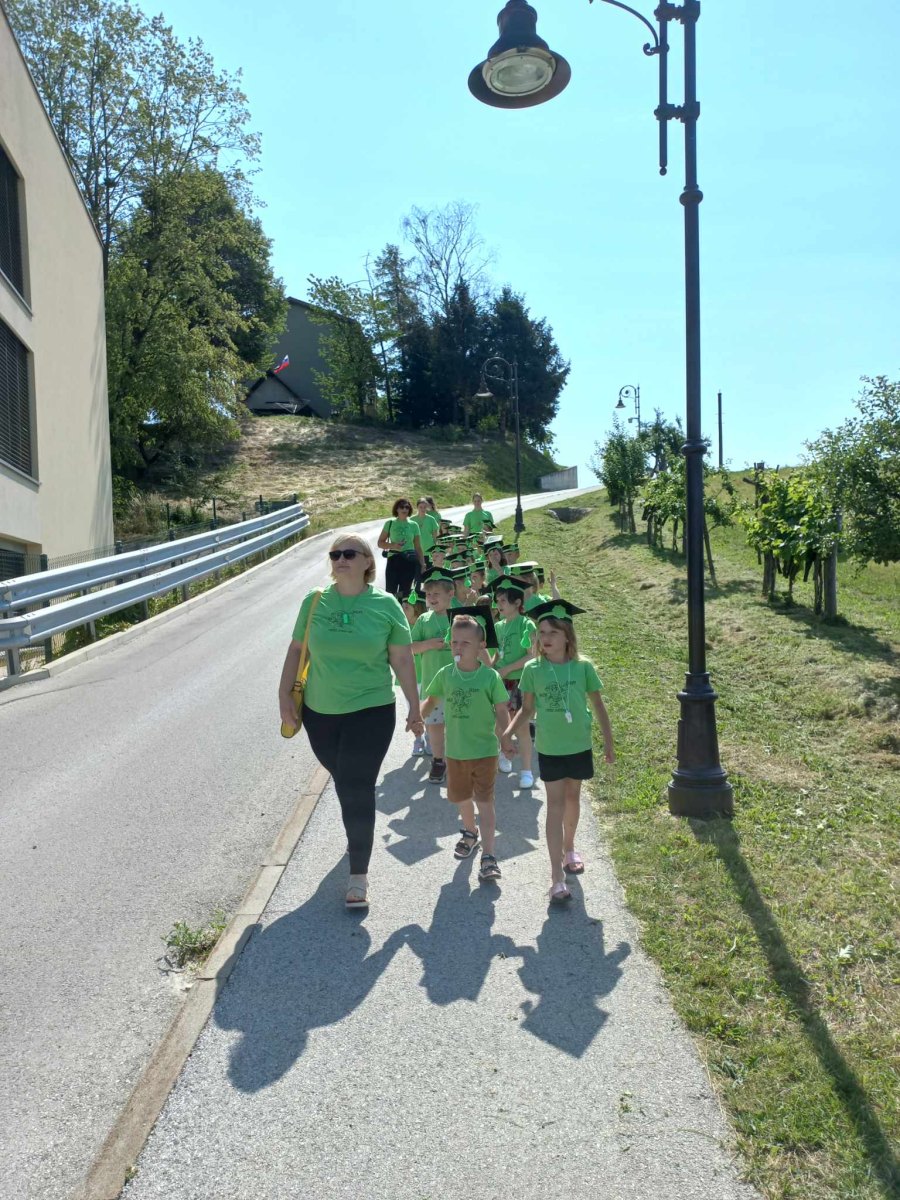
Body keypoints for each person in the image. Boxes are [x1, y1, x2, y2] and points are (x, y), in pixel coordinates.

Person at [278, 534, 423, 909]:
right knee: (345, 780)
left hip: (371, 710)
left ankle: (358, 873)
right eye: (334, 554)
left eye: (348, 553)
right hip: (319, 713)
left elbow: (402, 659)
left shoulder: (385, 605)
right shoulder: (315, 601)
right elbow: (297, 649)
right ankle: (358, 832)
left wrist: (414, 704)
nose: (340, 559)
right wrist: (283, 697)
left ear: (367, 562)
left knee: (356, 786)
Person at [507, 599, 614, 903]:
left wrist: (608, 741)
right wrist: (507, 733)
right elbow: (527, 709)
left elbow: (598, 705)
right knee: (555, 804)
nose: (546, 638)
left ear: (568, 636)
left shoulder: (583, 667)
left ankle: (570, 848)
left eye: (553, 632)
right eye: (542, 632)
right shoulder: (533, 669)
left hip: (578, 745)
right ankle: (557, 875)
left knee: (572, 797)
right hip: (550, 747)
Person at [421, 611, 509, 884]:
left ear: (481, 646)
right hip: (456, 752)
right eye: (454, 642)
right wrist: (417, 717)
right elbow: (431, 700)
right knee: (461, 798)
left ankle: (489, 856)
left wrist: (506, 738)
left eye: (465, 643)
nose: (458, 648)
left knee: (485, 801)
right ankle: (470, 832)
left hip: (485, 752)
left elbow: (501, 710)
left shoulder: (489, 677)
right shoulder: (445, 674)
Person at [489, 576, 537, 787]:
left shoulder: (526, 624)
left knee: (522, 727)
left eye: (503, 601)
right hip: (501, 682)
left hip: (520, 682)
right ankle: (504, 754)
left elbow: (532, 655)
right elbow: (496, 655)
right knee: (500, 724)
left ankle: (526, 771)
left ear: (517, 603)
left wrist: (508, 669)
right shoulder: (498, 626)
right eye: (497, 601)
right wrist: (490, 668)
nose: (498, 605)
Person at [410, 568, 455, 783]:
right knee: (435, 726)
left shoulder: (461, 617)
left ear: (450, 594)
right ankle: (438, 761)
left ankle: (457, 761)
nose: (431, 598)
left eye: (437, 593)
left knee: (458, 725)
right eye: (428, 594)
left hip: (458, 683)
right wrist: (428, 644)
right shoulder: (423, 620)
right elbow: (411, 647)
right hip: (433, 684)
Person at [377, 498, 426, 621]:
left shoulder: (414, 525)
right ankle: (389, 617)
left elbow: (418, 546)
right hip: (394, 560)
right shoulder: (390, 523)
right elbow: (380, 543)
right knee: (390, 591)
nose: (404, 509)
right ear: (397, 509)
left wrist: (422, 563)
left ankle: (402, 618)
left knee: (405, 592)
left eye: (407, 507)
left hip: (409, 561)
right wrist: (393, 545)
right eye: (402, 507)